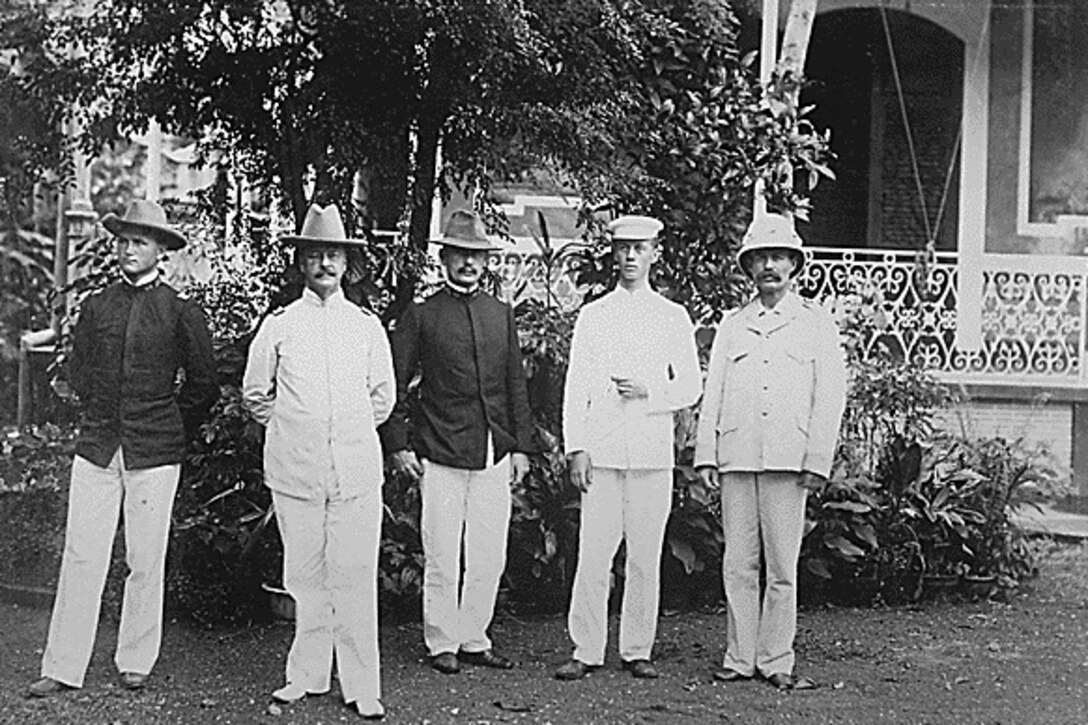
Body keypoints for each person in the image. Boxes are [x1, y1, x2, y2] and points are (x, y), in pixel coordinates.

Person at [27, 199, 218, 697]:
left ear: (161, 251)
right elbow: (78, 371)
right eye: (124, 241)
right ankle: (63, 665)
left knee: (145, 557)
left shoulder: (180, 311)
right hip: (97, 445)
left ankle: (135, 658)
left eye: (140, 242)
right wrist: (98, 413)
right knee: (81, 553)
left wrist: (170, 424)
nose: (129, 250)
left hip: (154, 450)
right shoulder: (98, 305)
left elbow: (203, 384)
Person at [242, 204, 394, 720]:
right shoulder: (280, 325)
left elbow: (383, 398)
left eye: (333, 255)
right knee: (304, 576)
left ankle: (360, 684)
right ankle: (304, 676)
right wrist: (297, 430)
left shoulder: (366, 326)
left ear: (347, 264)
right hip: (295, 470)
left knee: (352, 574)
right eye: (315, 255)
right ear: (301, 262)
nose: (325, 264)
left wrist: (343, 431)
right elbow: (256, 395)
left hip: (353, 469)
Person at [695, 212, 847, 691]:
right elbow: (713, 390)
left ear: (794, 265)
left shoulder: (815, 324)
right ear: (749, 267)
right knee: (738, 563)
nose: (769, 267)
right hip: (738, 454)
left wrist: (817, 458)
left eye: (779, 257)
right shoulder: (733, 325)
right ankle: (739, 657)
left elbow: (830, 395)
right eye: (761, 258)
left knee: (783, 565)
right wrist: (705, 454)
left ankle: (776, 658)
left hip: (789, 458)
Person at [379, 209, 534, 675]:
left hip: (492, 452)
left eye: (476, 256)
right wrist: (398, 444)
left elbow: (514, 386)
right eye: (460, 255)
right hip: (440, 449)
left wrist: (521, 446)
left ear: (486, 262)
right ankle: (441, 641)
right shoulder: (422, 315)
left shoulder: (499, 314)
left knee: (489, 552)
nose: (468, 263)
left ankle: (474, 638)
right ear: (445, 258)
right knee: (444, 551)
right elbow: (394, 381)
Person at [555, 215, 701, 681]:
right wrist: (576, 447)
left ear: (656, 252)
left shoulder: (671, 317)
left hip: (651, 454)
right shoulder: (595, 315)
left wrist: (651, 391)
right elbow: (576, 387)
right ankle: (586, 648)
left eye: (640, 248)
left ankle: (638, 648)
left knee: (644, 556)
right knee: (595, 554)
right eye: (623, 249)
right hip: (603, 452)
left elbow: (693, 386)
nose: (631, 257)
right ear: (613, 254)